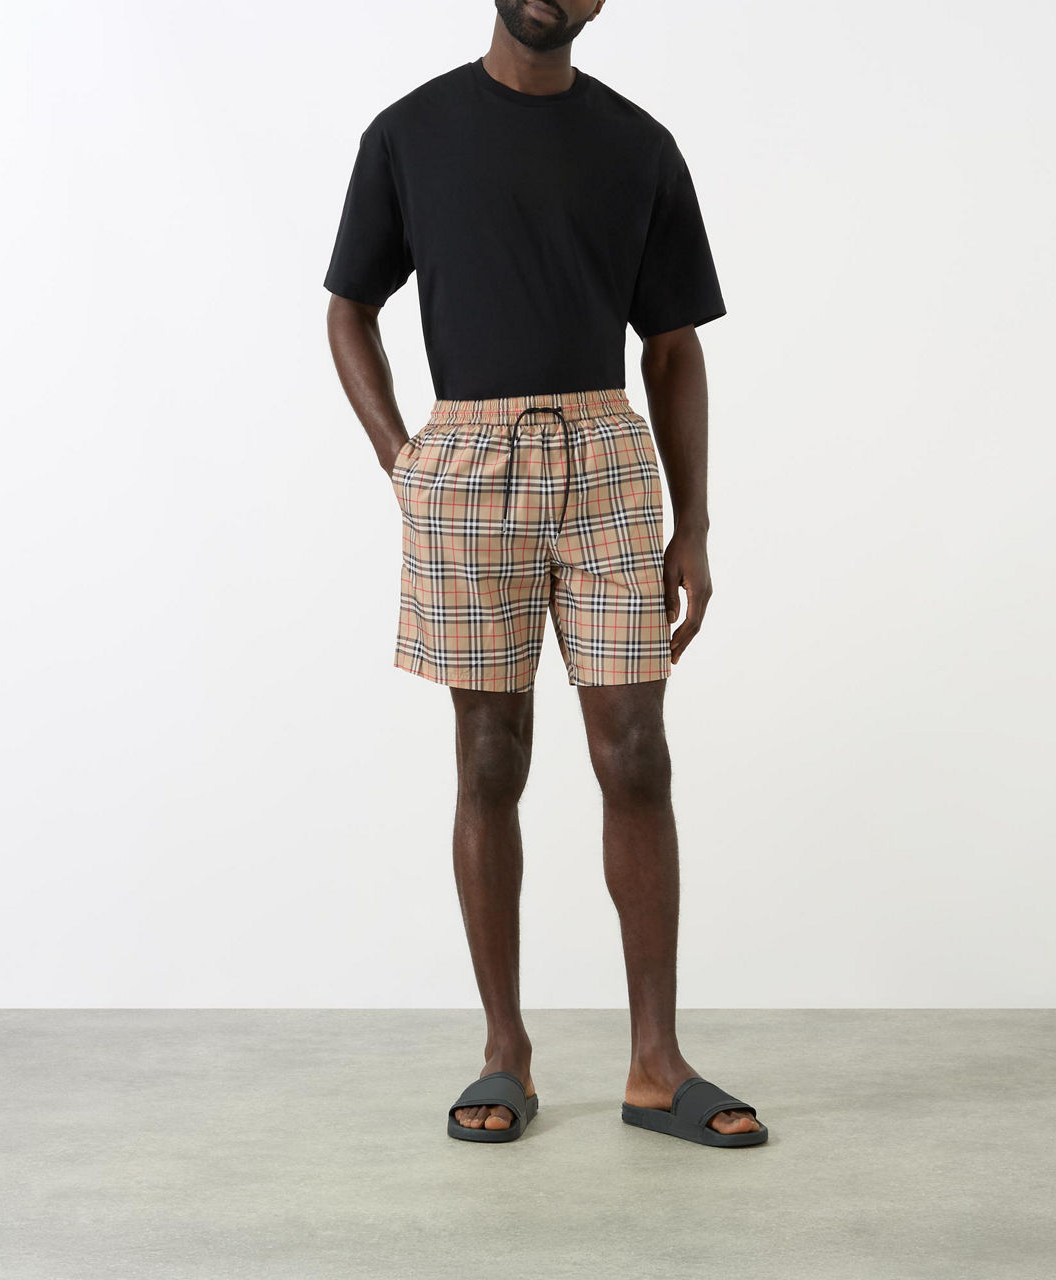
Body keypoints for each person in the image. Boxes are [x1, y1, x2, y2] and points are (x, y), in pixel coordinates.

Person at [324, 0, 767, 1148]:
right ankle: (502, 1049)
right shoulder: (408, 134)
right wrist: (403, 460)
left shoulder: (637, 144)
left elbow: (671, 344)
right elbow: (348, 308)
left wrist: (692, 524)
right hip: (465, 463)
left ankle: (655, 1064)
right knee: (489, 752)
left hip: (607, 456)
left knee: (636, 750)